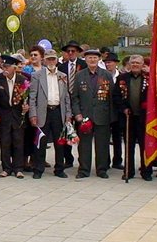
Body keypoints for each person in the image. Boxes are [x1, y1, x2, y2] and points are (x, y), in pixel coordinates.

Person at [72, 49, 116, 179]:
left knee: (102, 144)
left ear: (99, 60)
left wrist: (111, 117)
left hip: (102, 115)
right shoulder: (79, 75)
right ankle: (84, 170)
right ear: (85, 59)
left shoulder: (106, 75)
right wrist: (77, 114)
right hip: (85, 116)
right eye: (89, 58)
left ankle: (101, 169)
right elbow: (75, 97)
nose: (92, 60)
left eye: (95, 58)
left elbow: (112, 97)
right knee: (84, 145)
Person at [29, 49, 71, 179]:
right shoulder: (37, 75)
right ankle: (38, 168)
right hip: (43, 111)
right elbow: (32, 97)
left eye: (53, 59)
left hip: (58, 111)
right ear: (44, 61)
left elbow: (66, 97)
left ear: (57, 60)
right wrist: (33, 114)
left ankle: (59, 168)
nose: (51, 61)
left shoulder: (63, 75)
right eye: (49, 59)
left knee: (60, 142)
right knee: (41, 141)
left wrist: (68, 114)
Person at [114, 55, 152, 180]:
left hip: (144, 118)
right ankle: (128, 171)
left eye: (138, 63)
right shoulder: (122, 78)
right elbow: (116, 96)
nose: (135, 65)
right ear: (129, 65)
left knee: (144, 146)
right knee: (129, 146)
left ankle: (146, 172)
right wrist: (123, 108)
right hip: (128, 117)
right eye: (133, 63)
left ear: (142, 64)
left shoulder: (149, 78)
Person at [0, 55, 29, 178]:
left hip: (18, 115)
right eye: (4, 67)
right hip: (4, 114)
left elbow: (26, 97)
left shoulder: (22, 79)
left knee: (18, 141)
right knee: (5, 142)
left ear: (14, 68)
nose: (5, 69)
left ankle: (18, 168)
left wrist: (26, 106)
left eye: (7, 67)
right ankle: (6, 168)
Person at [58, 40, 86, 168]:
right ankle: (68, 159)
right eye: (68, 51)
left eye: (73, 51)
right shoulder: (61, 67)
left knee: (82, 132)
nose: (70, 53)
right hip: (66, 102)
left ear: (78, 52)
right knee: (66, 131)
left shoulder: (84, 65)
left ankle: (83, 161)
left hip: (80, 103)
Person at [105, 52, 124, 170]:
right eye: (106, 63)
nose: (108, 65)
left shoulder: (122, 77)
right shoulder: (102, 76)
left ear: (116, 63)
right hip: (105, 111)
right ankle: (105, 160)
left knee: (117, 137)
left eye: (110, 62)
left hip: (118, 112)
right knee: (105, 137)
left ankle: (117, 160)